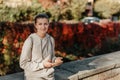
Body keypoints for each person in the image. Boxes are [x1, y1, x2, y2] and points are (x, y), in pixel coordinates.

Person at [19, 13, 63, 80]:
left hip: (50, 76)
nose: (43, 27)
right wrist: (42, 65)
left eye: (45, 24)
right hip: (33, 77)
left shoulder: (51, 39)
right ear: (35, 25)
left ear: (48, 25)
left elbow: (51, 57)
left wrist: (55, 60)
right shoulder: (30, 41)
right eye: (40, 24)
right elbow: (23, 63)